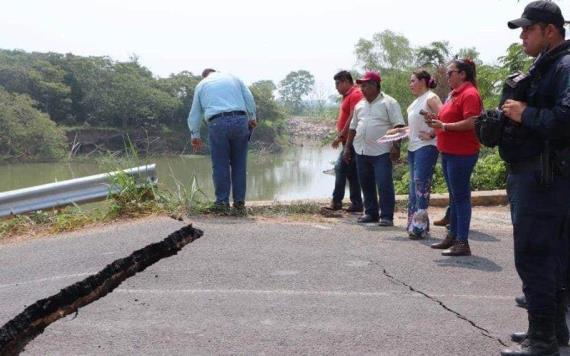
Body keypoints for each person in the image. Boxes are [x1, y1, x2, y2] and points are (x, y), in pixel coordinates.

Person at [497, 2, 570, 355]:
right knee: (550, 257)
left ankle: (542, 341)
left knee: (535, 255)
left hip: (546, 179)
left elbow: (565, 120)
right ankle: (553, 332)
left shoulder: (566, 66)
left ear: (550, 30)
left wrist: (526, 114)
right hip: (537, 176)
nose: (523, 35)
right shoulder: (547, 66)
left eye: (529, 29)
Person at [425, 58, 481, 256]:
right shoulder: (454, 94)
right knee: (455, 197)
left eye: (450, 73)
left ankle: (462, 241)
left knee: (461, 198)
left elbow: (473, 121)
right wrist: (436, 122)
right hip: (449, 152)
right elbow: (448, 119)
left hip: (462, 153)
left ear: (462, 74)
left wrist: (445, 126)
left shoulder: (469, 94)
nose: (447, 76)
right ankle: (453, 236)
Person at [187, 69, 257, 212]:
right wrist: (252, 117)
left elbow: (195, 112)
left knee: (220, 165)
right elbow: (249, 97)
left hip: (217, 122)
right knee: (239, 165)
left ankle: (222, 204)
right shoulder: (233, 77)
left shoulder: (202, 85)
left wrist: (195, 134)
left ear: (205, 76)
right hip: (240, 120)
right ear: (216, 72)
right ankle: (239, 205)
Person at [343, 71, 405, 226]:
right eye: (361, 86)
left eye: (365, 86)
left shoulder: (389, 103)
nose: (362, 89)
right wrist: (347, 148)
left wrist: (396, 147)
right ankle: (371, 213)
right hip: (361, 150)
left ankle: (386, 216)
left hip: (382, 152)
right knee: (366, 183)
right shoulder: (360, 105)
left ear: (375, 86)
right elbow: (353, 127)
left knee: (384, 184)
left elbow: (398, 126)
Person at [386, 69, 442, 239]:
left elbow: (445, 117)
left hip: (427, 147)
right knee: (413, 187)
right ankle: (416, 224)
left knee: (421, 184)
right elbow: (415, 128)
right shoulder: (415, 102)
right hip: (413, 148)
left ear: (423, 81)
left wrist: (432, 134)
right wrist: (399, 131)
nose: (410, 84)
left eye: (413, 81)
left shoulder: (431, 98)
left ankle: (419, 225)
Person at [324, 70, 363, 212]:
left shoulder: (356, 94)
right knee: (351, 173)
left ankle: (336, 201)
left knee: (340, 168)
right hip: (347, 140)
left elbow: (353, 117)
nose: (336, 87)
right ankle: (357, 203)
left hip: (351, 140)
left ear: (346, 81)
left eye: (338, 83)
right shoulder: (347, 95)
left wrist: (341, 136)